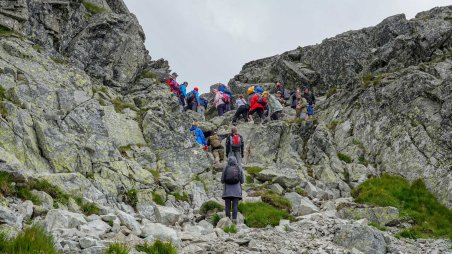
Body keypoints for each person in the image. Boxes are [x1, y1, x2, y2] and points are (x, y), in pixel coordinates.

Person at [221, 156, 244, 224]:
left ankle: (227, 221)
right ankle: (234, 221)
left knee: (227, 206)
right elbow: (242, 181)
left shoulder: (226, 168)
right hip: (236, 192)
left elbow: (222, 180)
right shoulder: (239, 167)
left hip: (227, 191)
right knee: (235, 206)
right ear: (235, 160)